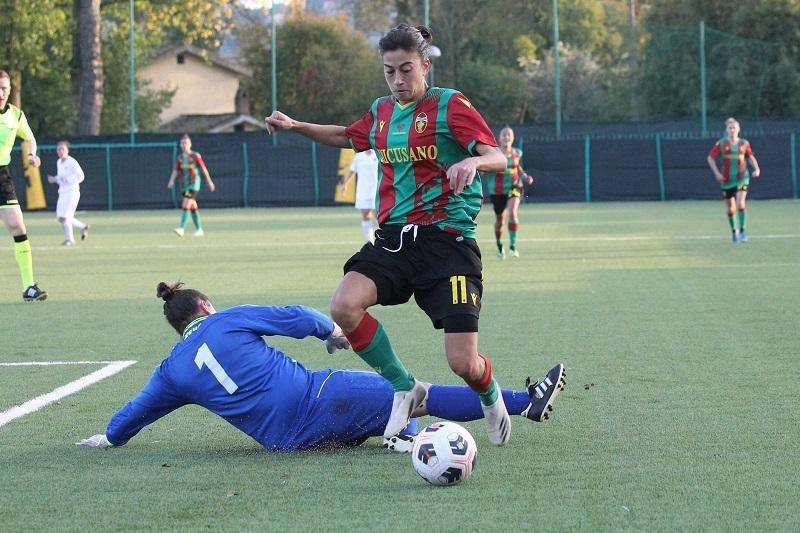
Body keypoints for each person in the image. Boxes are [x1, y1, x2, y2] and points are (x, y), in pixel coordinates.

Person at [266, 24, 513, 445]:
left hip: (447, 243)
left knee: (462, 363)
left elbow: (498, 156)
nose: (398, 81)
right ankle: (405, 384)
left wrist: (474, 164)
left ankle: (490, 396)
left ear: (425, 66)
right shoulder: (381, 112)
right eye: (389, 72)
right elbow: (346, 136)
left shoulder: (449, 105)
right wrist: (294, 126)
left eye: (406, 70)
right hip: (397, 240)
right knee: (344, 306)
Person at [75, 282, 566, 451]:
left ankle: (402, 435)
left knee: (383, 412)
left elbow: (133, 416)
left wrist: (109, 438)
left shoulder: (170, 371)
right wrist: (333, 332)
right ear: (205, 307)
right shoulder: (228, 320)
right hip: (319, 399)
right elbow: (297, 316)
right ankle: (526, 404)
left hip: (283, 441)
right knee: (414, 391)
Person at [0, 70, 47, 301]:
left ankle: (29, 286)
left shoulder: (16, 116)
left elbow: (29, 138)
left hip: (2, 175)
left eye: (5, 89)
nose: (1, 93)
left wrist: (32, 155)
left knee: (18, 227)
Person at [707, 117, 760, 243]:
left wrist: (757, 169)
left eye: (734, 127)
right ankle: (734, 233)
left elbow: (750, 157)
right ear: (726, 130)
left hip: (742, 178)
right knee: (731, 208)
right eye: (730, 128)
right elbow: (710, 158)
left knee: (741, 203)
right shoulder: (721, 144)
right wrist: (717, 173)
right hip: (727, 180)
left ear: (739, 129)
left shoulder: (744, 143)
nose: (732, 130)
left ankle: (742, 231)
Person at [489, 126, 533, 259]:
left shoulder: (517, 153)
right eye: (504, 135)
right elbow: (485, 167)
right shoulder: (493, 153)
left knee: (513, 213)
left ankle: (513, 247)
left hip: (514, 185)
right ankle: (499, 246)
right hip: (497, 190)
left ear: (513, 138)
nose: (506, 137)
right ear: (499, 138)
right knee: (500, 221)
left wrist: (525, 177)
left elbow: (518, 168)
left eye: (509, 135)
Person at [167, 134, 215, 237]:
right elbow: (175, 170)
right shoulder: (179, 158)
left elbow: (203, 169)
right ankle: (199, 230)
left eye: (186, 143)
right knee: (193, 206)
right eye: (182, 143)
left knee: (186, 203)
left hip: (194, 184)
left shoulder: (195, 156)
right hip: (184, 185)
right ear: (180, 145)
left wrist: (209, 181)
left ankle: (182, 228)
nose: (184, 145)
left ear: (190, 144)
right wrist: (171, 181)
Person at [46, 140, 88, 246]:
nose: (60, 151)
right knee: (61, 218)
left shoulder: (72, 162)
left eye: (62, 149)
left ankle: (70, 240)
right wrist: (54, 179)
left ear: (67, 151)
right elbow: (61, 178)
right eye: (58, 149)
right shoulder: (58, 162)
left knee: (66, 216)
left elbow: (81, 176)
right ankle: (83, 226)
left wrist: (69, 179)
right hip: (63, 193)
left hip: (72, 192)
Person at [343, 149, 379, 242]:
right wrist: (345, 184)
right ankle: (370, 241)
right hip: (363, 190)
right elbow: (352, 171)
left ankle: (385, 238)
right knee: (365, 215)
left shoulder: (377, 154)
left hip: (377, 190)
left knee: (379, 216)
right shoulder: (359, 156)